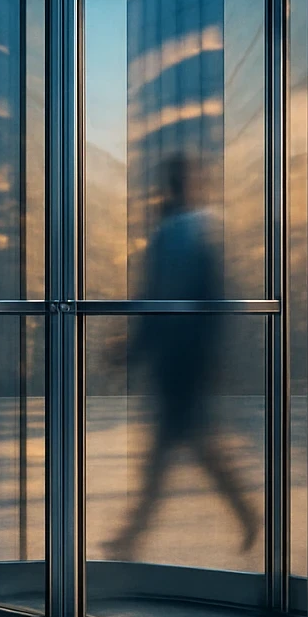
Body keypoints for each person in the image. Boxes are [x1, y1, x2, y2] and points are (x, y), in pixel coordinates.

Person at [106, 151, 260, 558]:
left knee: (176, 451)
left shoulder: (201, 232)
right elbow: (154, 298)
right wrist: (133, 347)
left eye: (181, 178)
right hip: (175, 362)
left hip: (185, 362)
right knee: (187, 449)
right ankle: (246, 515)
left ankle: (131, 539)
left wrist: (141, 348)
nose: (176, 187)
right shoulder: (175, 232)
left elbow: (208, 302)